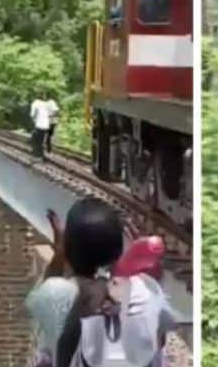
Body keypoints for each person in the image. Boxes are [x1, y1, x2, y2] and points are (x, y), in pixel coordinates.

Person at [25, 197, 178, 367]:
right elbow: (161, 337)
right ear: (119, 248)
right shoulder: (146, 294)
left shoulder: (57, 298)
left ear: (70, 250)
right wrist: (138, 264)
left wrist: (60, 253)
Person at [31, 93, 51, 160]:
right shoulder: (46, 104)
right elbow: (50, 114)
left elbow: (33, 115)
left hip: (39, 125)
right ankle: (41, 155)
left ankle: (38, 157)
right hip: (46, 125)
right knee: (41, 141)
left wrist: (34, 122)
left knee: (36, 141)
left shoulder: (35, 103)